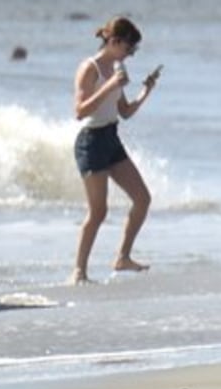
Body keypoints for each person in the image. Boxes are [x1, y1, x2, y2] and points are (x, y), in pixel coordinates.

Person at [69, 17, 161, 284]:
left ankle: (122, 257)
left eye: (134, 51)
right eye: (129, 49)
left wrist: (146, 91)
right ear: (114, 41)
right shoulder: (91, 68)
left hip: (111, 137)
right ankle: (79, 272)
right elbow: (80, 110)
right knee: (98, 212)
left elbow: (124, 112)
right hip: (91, 141)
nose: (130, 55)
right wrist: (110, 85)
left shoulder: (117, 68)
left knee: (142, 199)